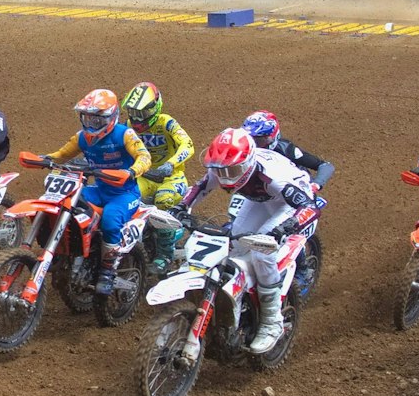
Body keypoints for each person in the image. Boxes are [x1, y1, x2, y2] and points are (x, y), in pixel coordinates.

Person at [182, 128, 324, 353]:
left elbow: (309, 207)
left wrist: (285, 228)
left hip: (288, 203)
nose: (226, 176)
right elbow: (200, 188)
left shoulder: (274, 176)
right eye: (222, 171)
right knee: (235, 246)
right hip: (258, 199)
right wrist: (181, 206)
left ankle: (271, 321)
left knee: (261, 249)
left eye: (233, 170)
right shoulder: (222, 165)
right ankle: (238, 305)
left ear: (247, 162)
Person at [40, 89, 152, 294]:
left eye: (97, 120)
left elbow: (144, 157)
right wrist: (45, 159)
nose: (91, 124)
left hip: (124, 194)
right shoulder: (82, 138)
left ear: (110, 117)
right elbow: (62, 155)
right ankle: (66, 253)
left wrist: (131, 172)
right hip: (99, 189)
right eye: (87, 118)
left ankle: (107, 272)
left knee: (110, 220)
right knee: (64, 202)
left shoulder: (124, 134)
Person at [120, 82, 195, 272]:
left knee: (164, 201)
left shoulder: (166, 122)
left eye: (142, 113)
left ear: (155, 108)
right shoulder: (128, 126)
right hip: (145, 176)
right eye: (133, 113)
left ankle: (165, 255)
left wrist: (170, 165)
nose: (137, 119)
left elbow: (188, 145)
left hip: (171, 178)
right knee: (122, 196)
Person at [242, 111, 334, 188]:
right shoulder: (243, 152)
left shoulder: (286, 149)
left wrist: (315, 185)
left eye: (259, 140)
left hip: (296, 192)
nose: (254, 144)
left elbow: (325, 166)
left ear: (272, 137)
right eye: (251, 138)